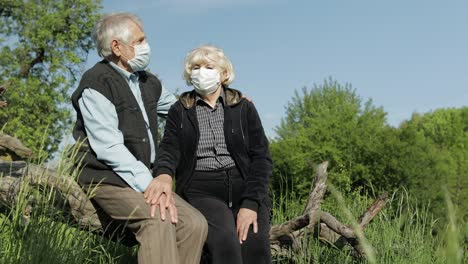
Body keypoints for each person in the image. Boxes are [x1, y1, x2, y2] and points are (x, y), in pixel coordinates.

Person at [70, 12, 207, 264]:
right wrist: (150, 183)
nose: (146, 46)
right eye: (139, 40)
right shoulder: (96, 83)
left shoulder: (147, 81)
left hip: (141, 176)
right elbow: (109, 148)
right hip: (105, 177)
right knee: (157, 219)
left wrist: (227, 104)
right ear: (116, 47)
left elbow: (181, 111)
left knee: (195, 224)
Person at [155, 44, 272, 264]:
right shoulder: (180, 110)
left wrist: (250, 203)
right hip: (201, 187)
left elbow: (261, 158)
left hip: (243, 185)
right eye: (196, 67)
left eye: (209, 66)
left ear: (223, 73)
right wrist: (163, 173)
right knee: (225, 241)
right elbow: (169, 147)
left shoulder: (243, 107)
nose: (201, 72)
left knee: (254, 243)